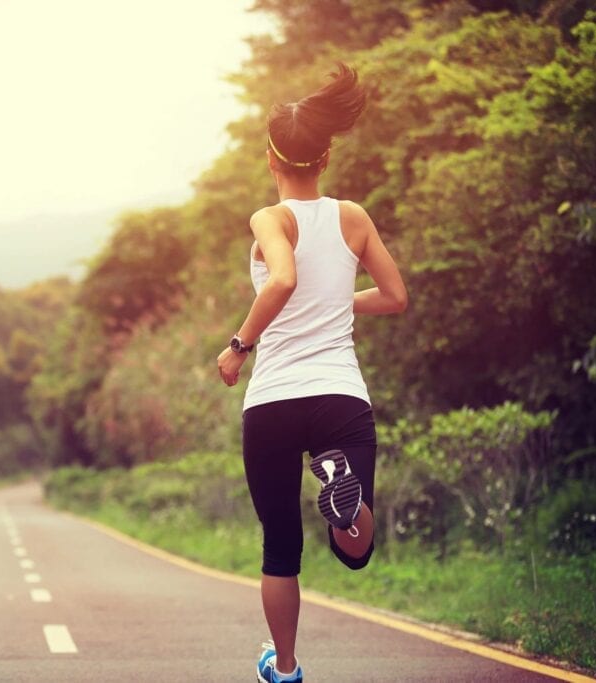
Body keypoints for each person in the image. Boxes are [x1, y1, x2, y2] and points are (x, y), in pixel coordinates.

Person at [216, 63, 408, 683]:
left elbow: (283, 279)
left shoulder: (270, 220)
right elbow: (395, 296)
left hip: (273, 400)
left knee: (280, 549)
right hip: (340, 395)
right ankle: (344, 502)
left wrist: (239, 345)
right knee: (354, 551)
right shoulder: (353, 216)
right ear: (324, 158)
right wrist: (338, 303)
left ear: (271, 162)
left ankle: (288, 669)